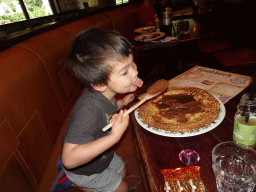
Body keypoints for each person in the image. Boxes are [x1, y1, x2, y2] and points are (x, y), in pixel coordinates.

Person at [51, 28, 143, 192]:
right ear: (99, 84)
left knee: (122, 171)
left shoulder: (108, 92)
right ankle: (71, 180)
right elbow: (69, 159)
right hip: (82, 169)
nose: (135, 71)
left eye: (132, 63)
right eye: (125, 72)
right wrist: (114, 137)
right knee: (122, 188)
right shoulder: (88, 111)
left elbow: (106, 109)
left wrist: (121, 105)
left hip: (102, 156)